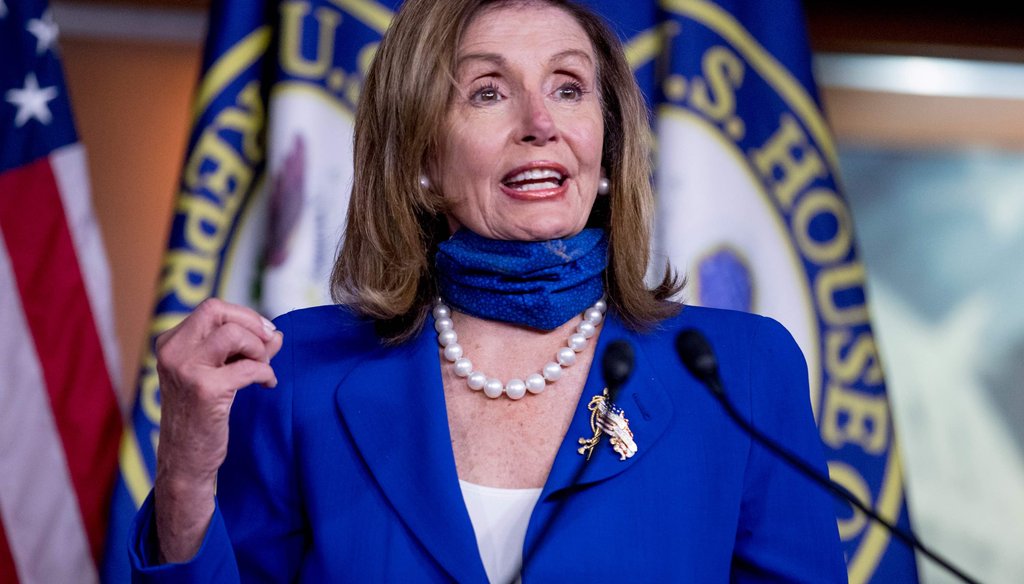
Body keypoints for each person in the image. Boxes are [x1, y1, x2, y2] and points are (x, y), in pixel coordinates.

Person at [130, 0, 847, 581]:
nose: (540, 124)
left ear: (606, 150)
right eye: (488, 92)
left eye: (568, 87)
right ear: (421, 160)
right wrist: (187, 474)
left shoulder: (743, 371)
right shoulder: (300, 374)